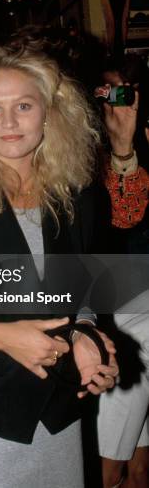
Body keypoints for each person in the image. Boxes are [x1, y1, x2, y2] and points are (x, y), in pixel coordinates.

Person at [0, 44, 118, 488]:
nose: (10, 122)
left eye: (23, 105)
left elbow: (81, 295)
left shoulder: (73, 193)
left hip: (59, 410)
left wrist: (85, 335)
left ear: (49, 113)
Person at [98, 84, 149, 488]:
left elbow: (127, 215)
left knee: (130, 467)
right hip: (110, 311)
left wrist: (124, 148)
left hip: (131, 307)